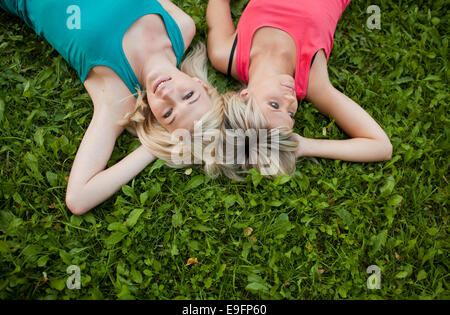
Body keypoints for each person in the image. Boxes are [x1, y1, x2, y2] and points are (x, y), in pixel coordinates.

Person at [0, 0, 224, 215]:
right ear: (201, 84)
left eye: (168, 114)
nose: (167, 94)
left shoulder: (117, 98)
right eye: (188, 96)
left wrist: (155, 147)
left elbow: (79, 198)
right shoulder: (181, 26)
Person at [206, 0, 392, 177]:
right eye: (290, 115)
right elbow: (381, 146)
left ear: (244, 95)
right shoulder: (312, 81)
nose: (291, 101)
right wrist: (304, 145)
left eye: (274, 104)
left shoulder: (225, 53)